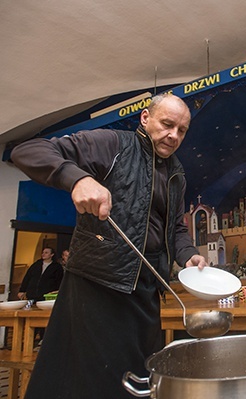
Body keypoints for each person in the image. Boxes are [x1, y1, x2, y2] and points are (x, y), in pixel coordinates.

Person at [11, 93, 207, 399]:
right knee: (90, 383)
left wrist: (189, 254)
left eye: (181, 130)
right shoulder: (112, 144)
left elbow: (176, 228)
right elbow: (27, 150)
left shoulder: (176, 174)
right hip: (97, 284)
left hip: (146, 290)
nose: (173, 136)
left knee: (141, 380)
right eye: (167, 124)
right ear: (145, 118)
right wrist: (76, 179)